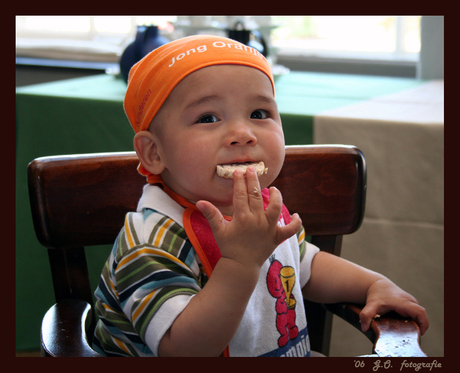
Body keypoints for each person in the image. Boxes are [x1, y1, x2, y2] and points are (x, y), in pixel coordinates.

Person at [92, 35, 429, 357]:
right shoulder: (152, 242)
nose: (243, 134)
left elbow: (303, 262)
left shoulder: (262, 206)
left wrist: (374, 284)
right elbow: (183, 350)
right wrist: (241, 263)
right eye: (207, 118)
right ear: (153, 152)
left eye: (259, 114)